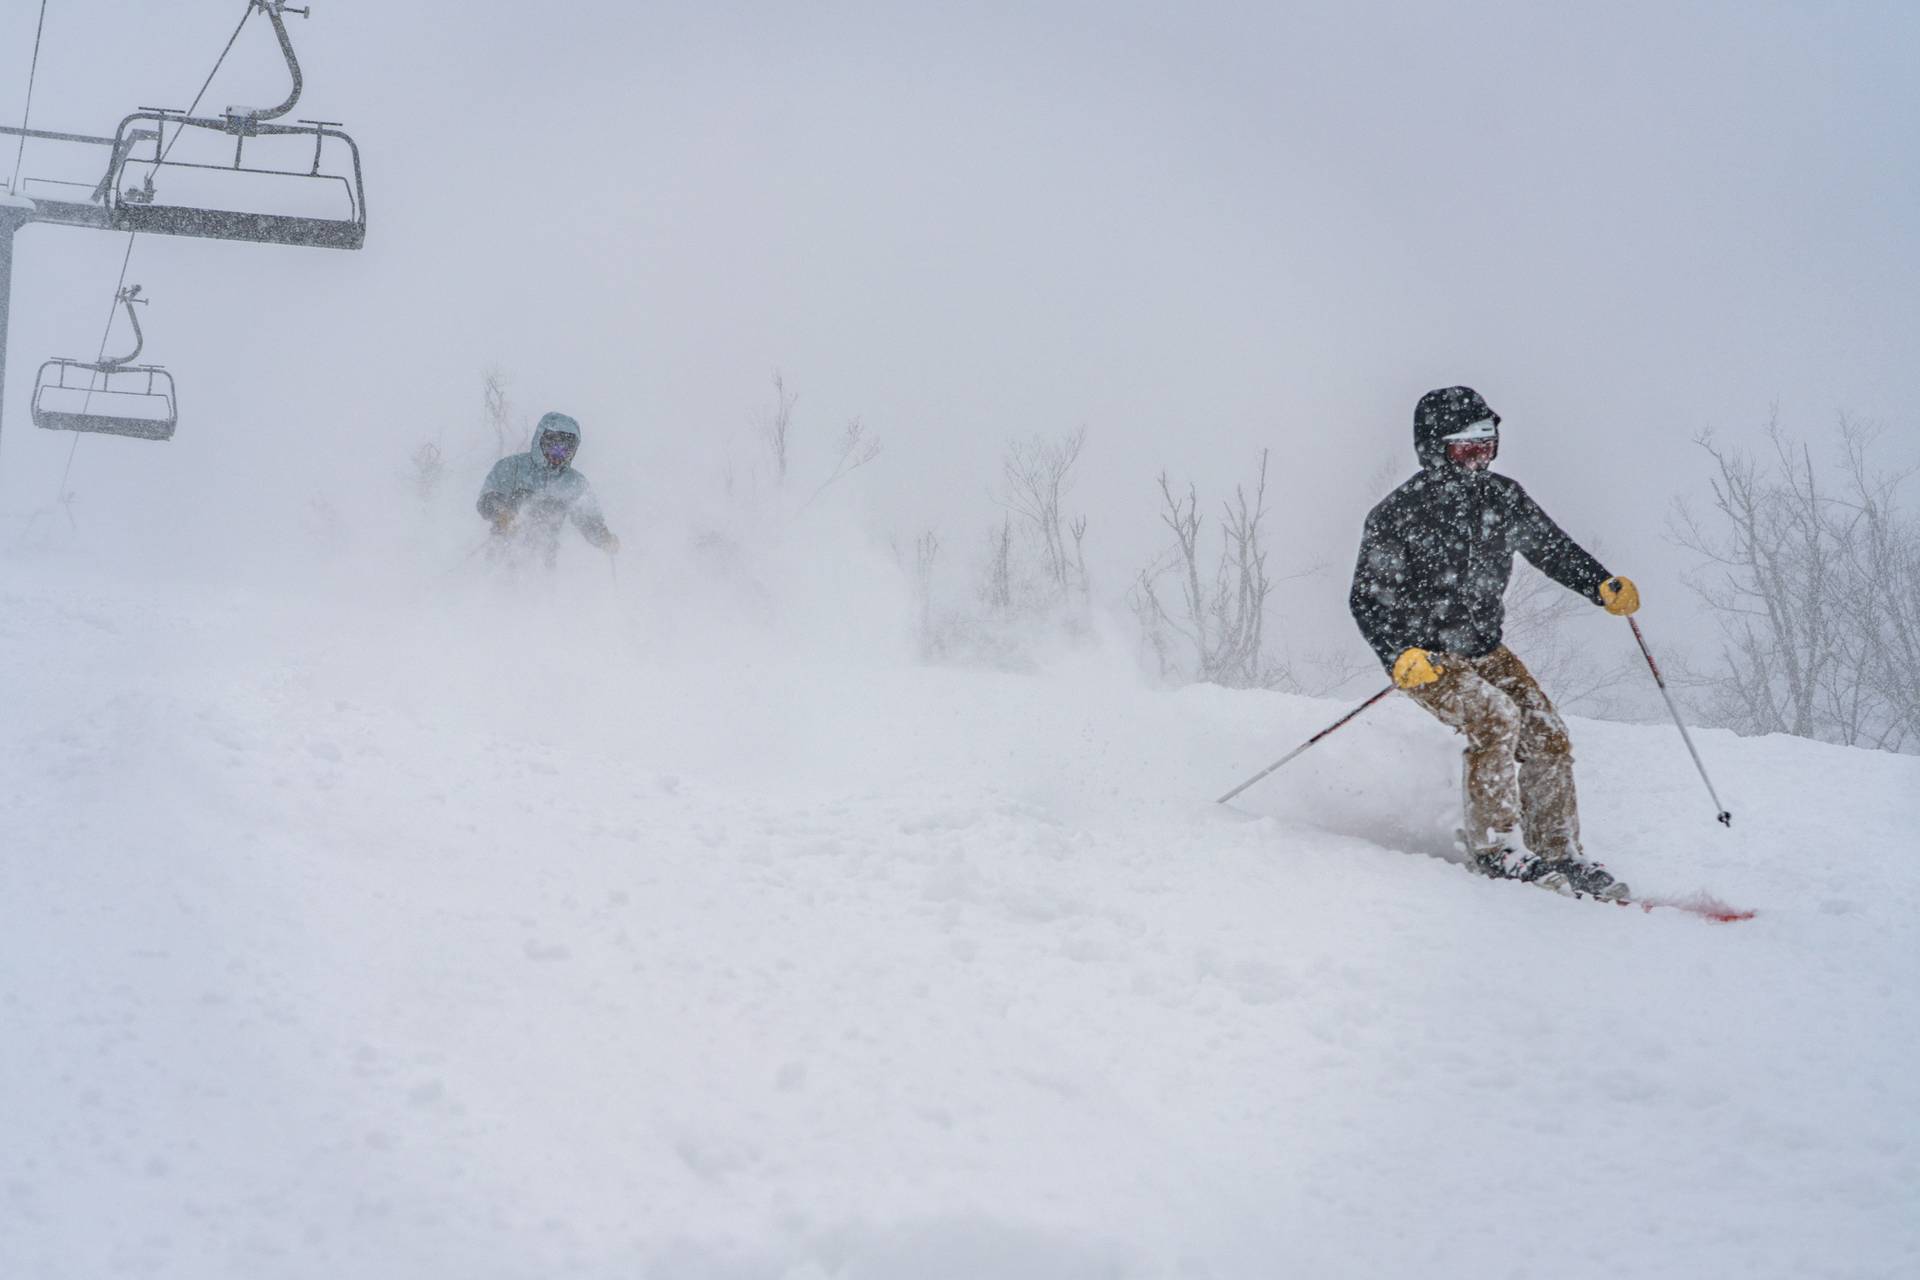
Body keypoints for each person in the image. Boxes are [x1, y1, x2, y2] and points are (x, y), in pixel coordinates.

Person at [1348, 386, 1640, 901]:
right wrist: (1399, 655)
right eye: (1466, 447)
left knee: (1547, 734)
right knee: (1495, 718)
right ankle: (1496, 847)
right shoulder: (1399, 514)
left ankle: (1558, 851)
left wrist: (1599, 584)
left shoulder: (1501, 498)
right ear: (1436, 448)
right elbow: (1367, 600)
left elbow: (1552, 548)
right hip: (1427, 658)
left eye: (1488, 443)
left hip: (1483, 647)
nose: (1480, 456)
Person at [476, 411, 620, 567]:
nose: (558, 454)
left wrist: (604, 538)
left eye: (565, 449)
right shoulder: (512, 467)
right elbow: (487, 499)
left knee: (540, 588)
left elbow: (588, 520)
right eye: (552, 445)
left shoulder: (574, 482)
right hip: (504, 551)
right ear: (540, 441)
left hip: (543, 559)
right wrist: (502, 513)